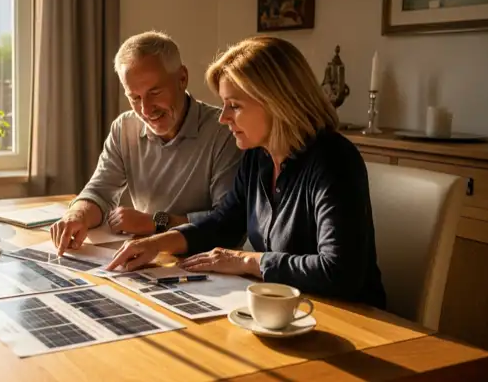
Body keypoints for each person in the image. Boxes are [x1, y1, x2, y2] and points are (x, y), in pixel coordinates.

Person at [106, 36, 387, 309]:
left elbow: (339, 273)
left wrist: (248, 261)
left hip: (354, 320)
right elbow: (224, 223)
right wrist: (157, 242)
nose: (223, 117)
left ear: (276, 102)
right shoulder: (257, 156)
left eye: (235, 106)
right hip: (286, 309)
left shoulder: (334, 159)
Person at [51, 31, 242, 256]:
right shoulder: (124, 128)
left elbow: (228, 223)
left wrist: (156, 222)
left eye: (155, 92)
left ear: (182, 79)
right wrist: (76, 215)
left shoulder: (226, 131)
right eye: (135, 98)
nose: (146, 109)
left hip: (206, 261)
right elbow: (100, 192)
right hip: (146, 257)